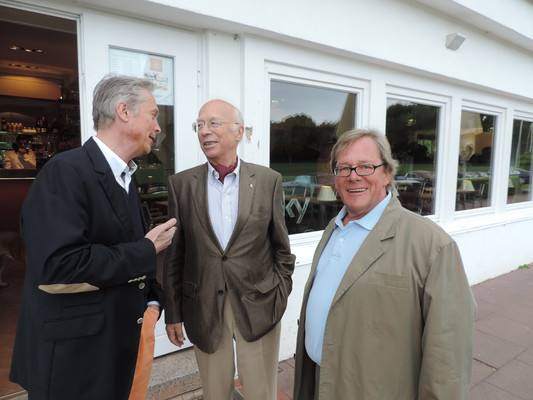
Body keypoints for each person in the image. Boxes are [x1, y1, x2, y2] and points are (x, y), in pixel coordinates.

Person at [9, 75, 177, 400]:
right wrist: (146, 249)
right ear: (124, 112)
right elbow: (59, 265)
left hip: (113, 350)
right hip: (74, 362)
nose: (158, 128)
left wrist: (153, 300)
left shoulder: (126, 175)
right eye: (154, 115)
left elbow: (118, 248)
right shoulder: (65, 171)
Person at [293, 128, 476, 400]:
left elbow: (448, 358)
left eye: (365, 166)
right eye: (344, 168)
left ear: (387, 173)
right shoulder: (334, 227)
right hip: (320, 381)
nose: (353, 176)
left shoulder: (432, 245)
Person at [163, 99, 296, 400]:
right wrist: (173, 312)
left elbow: (281, 247)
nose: (204, 131)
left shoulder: (268, 181)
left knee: (261, 392)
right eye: (199, 125)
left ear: (239, 132)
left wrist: (280, 292)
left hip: (258, 303)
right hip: (204, 306)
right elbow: (175, 256)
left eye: (213, 123)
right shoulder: (181, 185)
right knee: (215, 393)